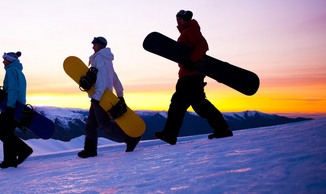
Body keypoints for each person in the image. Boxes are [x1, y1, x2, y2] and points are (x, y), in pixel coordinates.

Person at [155, 10, 233, 145]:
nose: (177, 21)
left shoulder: (190, 31)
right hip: (188, 75)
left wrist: (192, 60)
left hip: (191, 76)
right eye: (177, 18)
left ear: (185, 19)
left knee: (185, 105)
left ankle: (170, 134)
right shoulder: (187, 31)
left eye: (179, 18)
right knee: (190, 105)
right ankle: (170, 134)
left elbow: (203, 45)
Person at [78, 37, 141, 158]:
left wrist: (96, 97)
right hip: (102, 96)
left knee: (105, 125)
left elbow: (101, 79)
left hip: (101, 97)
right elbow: (115, 78)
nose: (93, 47)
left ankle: (131, 138)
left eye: (94, 44)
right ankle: (90, 150)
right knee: (90, 125)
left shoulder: (100, 58)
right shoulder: (107, 60)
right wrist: (120, 94)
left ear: (100, 46)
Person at [0, 51, 33, 168]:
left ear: (10, 60)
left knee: (1, 132)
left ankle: (24, 150)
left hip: (12, 106)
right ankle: (9, 160)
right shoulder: (19, 72)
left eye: (5, 59)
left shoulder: (11, 70)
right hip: (19, 107)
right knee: (8, 133)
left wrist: (10, 106)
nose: (3, 61)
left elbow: (13, 89)